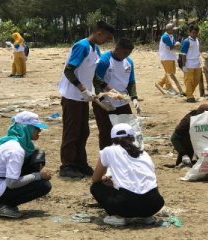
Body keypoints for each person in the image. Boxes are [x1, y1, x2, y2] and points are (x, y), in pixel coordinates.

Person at [58, 21, 115, 178]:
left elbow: (93, 74)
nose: (107, 41)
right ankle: (67, 165)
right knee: (72, 131)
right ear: (99, 33)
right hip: (72, 96)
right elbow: (69, 70)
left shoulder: (95, 49)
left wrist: (106, 87)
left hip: (84, 97)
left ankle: (80, 163)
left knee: (83, 131)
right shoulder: (81, 46)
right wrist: (82, 88)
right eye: (107, 37)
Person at [0, 111, 52, 218]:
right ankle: (0, 205)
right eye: (36, 128)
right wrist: (38, 176)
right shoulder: (16, 150)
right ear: (27, 129)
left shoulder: (13, 142)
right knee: (43, 185)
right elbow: (12, 183)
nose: (40, 130)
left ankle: (1, 202)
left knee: (37, 155)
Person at [90, 123, 164, 226]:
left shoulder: (108, 151)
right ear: (132, 138)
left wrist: (106, 182)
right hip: (155, 203)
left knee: (96, 187)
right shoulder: (143, 153)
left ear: (113, 139)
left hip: (127, 205)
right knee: (141, 194)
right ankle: (146, 217)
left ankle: (118, 217)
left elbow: (95, 179)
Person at [93, 38, 141, 150]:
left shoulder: (129, 62)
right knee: (106, 133)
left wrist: (134, 98)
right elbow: (95, 80)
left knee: (129, 131)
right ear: (117, 49)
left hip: (122, 101)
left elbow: (131, 81)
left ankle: (130, 156)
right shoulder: (104, 61)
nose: (126, 56)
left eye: (128, 53)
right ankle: (106, 160)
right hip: (105, 103)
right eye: (124, 53)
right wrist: (101, 100)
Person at [156, 23, 180, 95]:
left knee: (171, 73)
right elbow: (171, 47)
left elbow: (172, 46)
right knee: (169, 73)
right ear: (168, 29)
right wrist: (177, 44)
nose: (173, 30)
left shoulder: (171, 36)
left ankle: (160, 83)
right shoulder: (165, 37)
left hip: (170, 56)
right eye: (172, 29)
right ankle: (169, 88)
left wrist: (175, 45)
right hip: (166, 57)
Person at [180, 25, 202, 103]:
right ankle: (189, 96)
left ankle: (188, 92)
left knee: (196, 80)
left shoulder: (197, 40)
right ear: (189, 32)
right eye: (193, 33)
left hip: (197, 63)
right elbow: (183, 54)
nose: (194, 34)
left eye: (196, 33)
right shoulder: (186, 41)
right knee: (188, 80)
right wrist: (184, 65)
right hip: (189, 63)